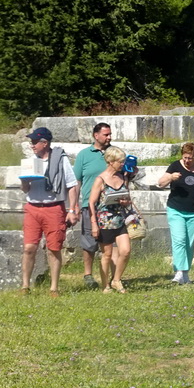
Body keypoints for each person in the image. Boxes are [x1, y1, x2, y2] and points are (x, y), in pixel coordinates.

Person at [20, 127, 79, 297]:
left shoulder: (60, 160)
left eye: (34, 142)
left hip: (53, 208)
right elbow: (25, 189)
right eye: (31, 142)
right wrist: (25, 181)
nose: (32, 145)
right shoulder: (31, 161)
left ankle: (54, 287)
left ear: (44, 143)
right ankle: (25, 286)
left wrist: (72, 210)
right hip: (33, 208)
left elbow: (72, 185)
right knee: (29, 247)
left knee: (54, 248)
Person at [158, 142, 194, 285]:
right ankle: (179, 272)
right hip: (176, 210)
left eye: (191, 158)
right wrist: (171, 177)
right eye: (185, 157)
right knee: (179, 240)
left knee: (190, 243)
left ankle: (185, 273)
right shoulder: (175, 166)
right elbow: (160, 183)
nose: (188, 161)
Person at [88, 147, 134, 293]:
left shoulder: (123, 177)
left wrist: (125, 202)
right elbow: (91, 202)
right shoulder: (100, 180)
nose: (122, 164)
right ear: (110, 161)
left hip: (120, 219)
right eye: (120, 162)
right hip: (105, 221)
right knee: (107, 254)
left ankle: (116, 280)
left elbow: (128, 198)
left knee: (125, 251)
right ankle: (105, 285)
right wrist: (94, 224)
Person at [73, 122, 112, 288]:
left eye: (110, 134)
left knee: (112, 242)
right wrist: (74, 204)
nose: (109, 137)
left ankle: (112, 276)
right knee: (89, 241)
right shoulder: (83, 155)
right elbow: (76, 181)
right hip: (90, 205)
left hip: (111, 205)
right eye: (106, 134)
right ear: (96, 136)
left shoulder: (114, 153)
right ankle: (88, 275)